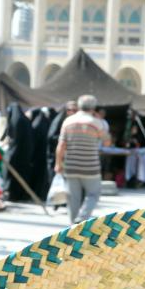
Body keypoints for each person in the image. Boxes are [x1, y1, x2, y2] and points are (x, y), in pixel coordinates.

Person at [56, 94, 110, 224]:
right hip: (90, 167)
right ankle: (82, 217)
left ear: (79, 106)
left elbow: (61, 145)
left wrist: (58, 163)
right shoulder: (96, 123)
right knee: (93, 194)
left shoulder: (68, 121)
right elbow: (107, 142)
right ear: (93, 107)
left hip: (71, 165)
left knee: (73, 197)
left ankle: (72, 225)